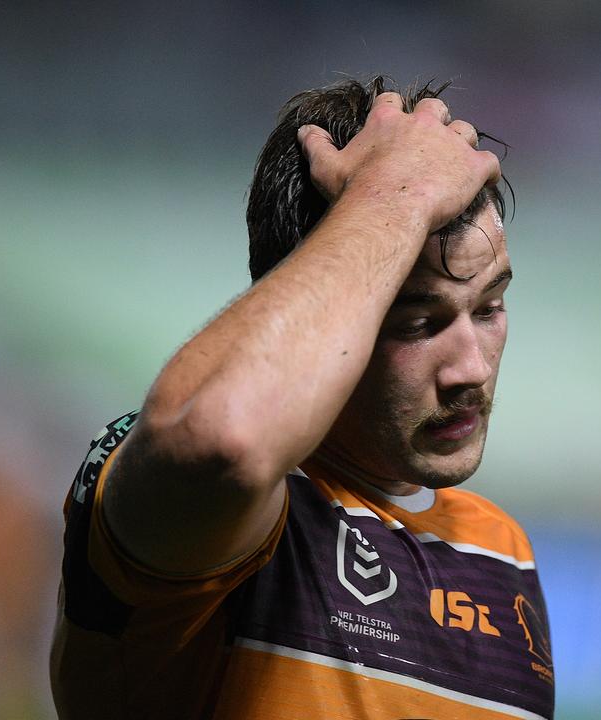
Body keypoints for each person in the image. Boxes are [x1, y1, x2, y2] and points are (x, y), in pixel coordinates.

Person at [50, 76, 554, 720]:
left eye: (489, 307)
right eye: (416, 323)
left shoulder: (501, 550)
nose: (471, 368)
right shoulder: (221, 510)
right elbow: (220, 437)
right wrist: (391, 198)